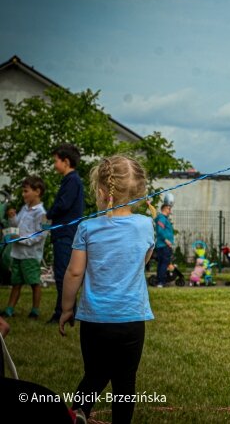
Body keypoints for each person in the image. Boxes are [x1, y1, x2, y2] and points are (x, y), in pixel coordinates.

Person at [59, 155, 155, 424]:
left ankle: (78, 413)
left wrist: (67, 308)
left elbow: (74, 272)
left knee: (95, 374)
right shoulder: (146, 225)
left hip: (95, 320)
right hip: (131, 319)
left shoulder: (87, 227)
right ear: (138, 192)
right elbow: (143, 260)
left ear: (101, 192)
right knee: (125, 382)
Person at [46, 143, 85, 325]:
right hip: (64, 233)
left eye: (56, 161)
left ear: (66, 161)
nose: (54, 165)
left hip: (65, 233)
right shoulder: (71, 180)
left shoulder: (72, 180)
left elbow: (63, 204)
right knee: (61, 273)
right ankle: (66, 310)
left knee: (63, 273)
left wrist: (49, 213)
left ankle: (64, 312)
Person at [2, 177, 47, 319]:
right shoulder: (25, 208)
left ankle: (35, 310)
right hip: (18, 254)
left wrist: (21, 240)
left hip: (30, 255)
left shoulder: (41, 213)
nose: (23, 194)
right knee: (16, 282)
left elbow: (40, 235)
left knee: (34, 282)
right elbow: (17, 226)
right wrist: (12, 218)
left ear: (37, 192)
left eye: (26, 191)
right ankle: (9, 309)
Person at [153, 202, 175, 288]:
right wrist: (166, 240)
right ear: (164, 209)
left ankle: (160, 281)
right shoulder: (162, 218)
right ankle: (161, 282)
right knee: (164, 264)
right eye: (169, 209)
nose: (170, 211)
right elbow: (160, 230)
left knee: (161, 263)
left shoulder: (163, 219)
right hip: (163, 245)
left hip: (162, 245)